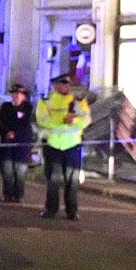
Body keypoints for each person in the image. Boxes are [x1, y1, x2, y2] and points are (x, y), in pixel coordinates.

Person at [37, 70, 92, 222]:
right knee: (53, 180)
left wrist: (73, 121)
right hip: (53, 145)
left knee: (72, 181)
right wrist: (62, 121)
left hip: (72, 145)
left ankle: (72, 211)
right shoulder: (46, 101)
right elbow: (42, 120)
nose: (65, 86)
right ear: (54, 85)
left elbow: (86, 120)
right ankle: (51, 209)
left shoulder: (78, 101)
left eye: (67, 83)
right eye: (62, 83)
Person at [0, 82, 35, 203]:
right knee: (7, 171)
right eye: (14, 93)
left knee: (20, 172)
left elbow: (28, 126)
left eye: (20, 94)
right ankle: (8, 194)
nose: (17, 96)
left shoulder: (28, 109)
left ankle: (18, 195)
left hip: (22, 145)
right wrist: (5, 132)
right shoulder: (6, 107)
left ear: (24, 96)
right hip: (7, 144)